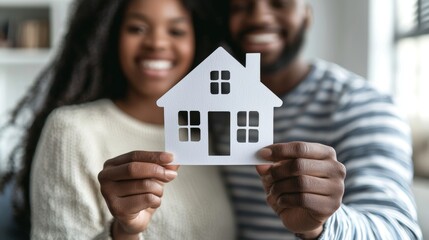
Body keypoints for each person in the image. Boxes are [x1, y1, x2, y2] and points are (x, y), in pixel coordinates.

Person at [0, 0, 235, 239]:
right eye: (137, 28)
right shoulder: (72, 131)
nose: (157, 43)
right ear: (111, 34)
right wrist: (123, 231)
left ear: (197, 41)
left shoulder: (205, 136)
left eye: (176, 31)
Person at [212, 0, 423, 239]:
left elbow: (399, 231)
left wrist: (321, 225)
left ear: (307, 15)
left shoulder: (361, 103)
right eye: (240, 6)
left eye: (279, 3)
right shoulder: (212, 107)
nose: (259, 17)